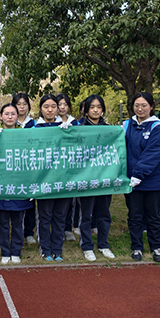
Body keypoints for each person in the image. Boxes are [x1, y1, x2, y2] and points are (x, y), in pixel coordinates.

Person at [124, 92, 160, 263]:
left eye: (144, 105)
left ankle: (156, 247)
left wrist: (138, 174)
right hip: (132, 182)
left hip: (153, 182)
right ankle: (136, 247)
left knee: (153, 215)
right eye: (137, 105)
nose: (140, 109)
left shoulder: (158, 127)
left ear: (151, 107)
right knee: (134, 215)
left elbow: (153, 154)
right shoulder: (127, 125)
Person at [0, 104, 33, 264]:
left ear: (17, 116)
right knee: (2, 222)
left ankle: (16, 251)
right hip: (0, 184)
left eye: (13, 114)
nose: (10, 117)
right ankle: (5, 251)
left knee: (18, 222)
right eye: (6, 114)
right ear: (1, 116)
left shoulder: (25, 135)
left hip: (18, 184)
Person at [78, 95, 116, 261]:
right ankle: (87, 246)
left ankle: (103, 244)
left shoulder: (110, 130)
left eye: (99, 107)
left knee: (104, 213)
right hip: (86, 179)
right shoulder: (78, 129)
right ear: (86, 110)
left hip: (105, 178)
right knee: (86, 215)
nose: (95, 110)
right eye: (92, 107)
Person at [35, 95, 70, 261]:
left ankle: (57, 249)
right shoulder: (34, 129)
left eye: (53, 106)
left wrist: (69, 133)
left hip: (63, 180)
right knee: (45, 217)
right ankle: (45, 248)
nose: (50, 110)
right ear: (40, 109)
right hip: (44, 180)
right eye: (46, 106)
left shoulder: (68, 128)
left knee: (60, 216)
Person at [12, 94, 37, 244]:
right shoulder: (8, 123)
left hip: (30, 166)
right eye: (18, 104)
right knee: (15, 198)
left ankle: (29, 231)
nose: (21, 107)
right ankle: (17, 229)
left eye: (24, 104)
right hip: (13, 166)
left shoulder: (34, 124)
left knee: (30, 199)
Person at [56, 94, 79, 242]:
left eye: (65, 104)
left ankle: (68, 228)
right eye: (60, 104)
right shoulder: (50, 123)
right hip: (54, 167)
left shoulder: (74, 123)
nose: (62, 107)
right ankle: (56, 229)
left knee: (70, 199)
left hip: (70, 166)